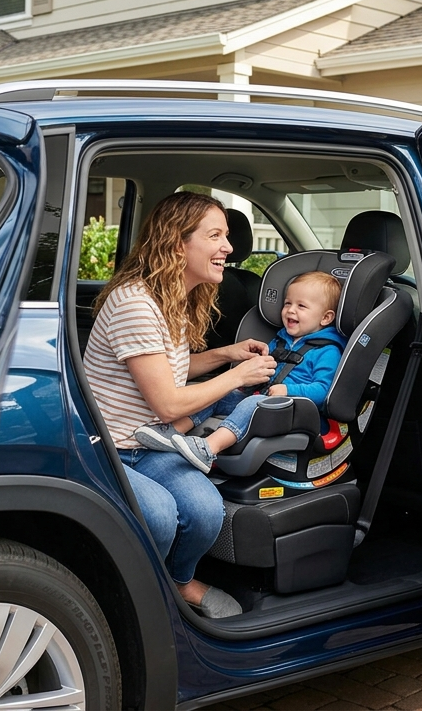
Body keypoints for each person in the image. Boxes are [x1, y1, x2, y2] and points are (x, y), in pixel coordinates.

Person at [83, 191, 277, 618]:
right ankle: (134, 599)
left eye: (226, 236)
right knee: (160, 515)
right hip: (109, 446)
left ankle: (179, 582)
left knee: (205, 512)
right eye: (215, 236)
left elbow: (167, 368)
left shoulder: (171, 296)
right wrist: (237, 376)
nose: (228, 247)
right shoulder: (135, 304)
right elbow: (168, 402)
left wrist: (226, 354)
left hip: (152, 441)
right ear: (177, 244)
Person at [134, 270, 344, 473]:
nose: (290, 310)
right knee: (219, 392)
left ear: (325, 318)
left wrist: (287, 390)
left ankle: (208, 448)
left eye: (301, 306)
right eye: (288, 303)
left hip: (294, 411)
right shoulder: (282, 339)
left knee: (253, 403)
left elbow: (323, 390)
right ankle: (172, 433)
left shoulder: (327, 351)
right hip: (264, 397)